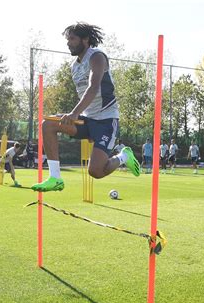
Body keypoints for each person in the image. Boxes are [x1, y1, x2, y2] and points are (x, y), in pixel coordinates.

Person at [31, 22, 140, 192]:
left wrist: (74, 113)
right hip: (87, 120)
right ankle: (55, 178)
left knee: (96, 171)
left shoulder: (97, 57)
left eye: (72, 39)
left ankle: (124, 156)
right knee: (48, 124)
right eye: (68, 39)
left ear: (85, 39)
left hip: (106, 119)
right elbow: (83, 94)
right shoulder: (74, 66)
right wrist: (84, 124)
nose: (68, 43)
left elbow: (94, 87)